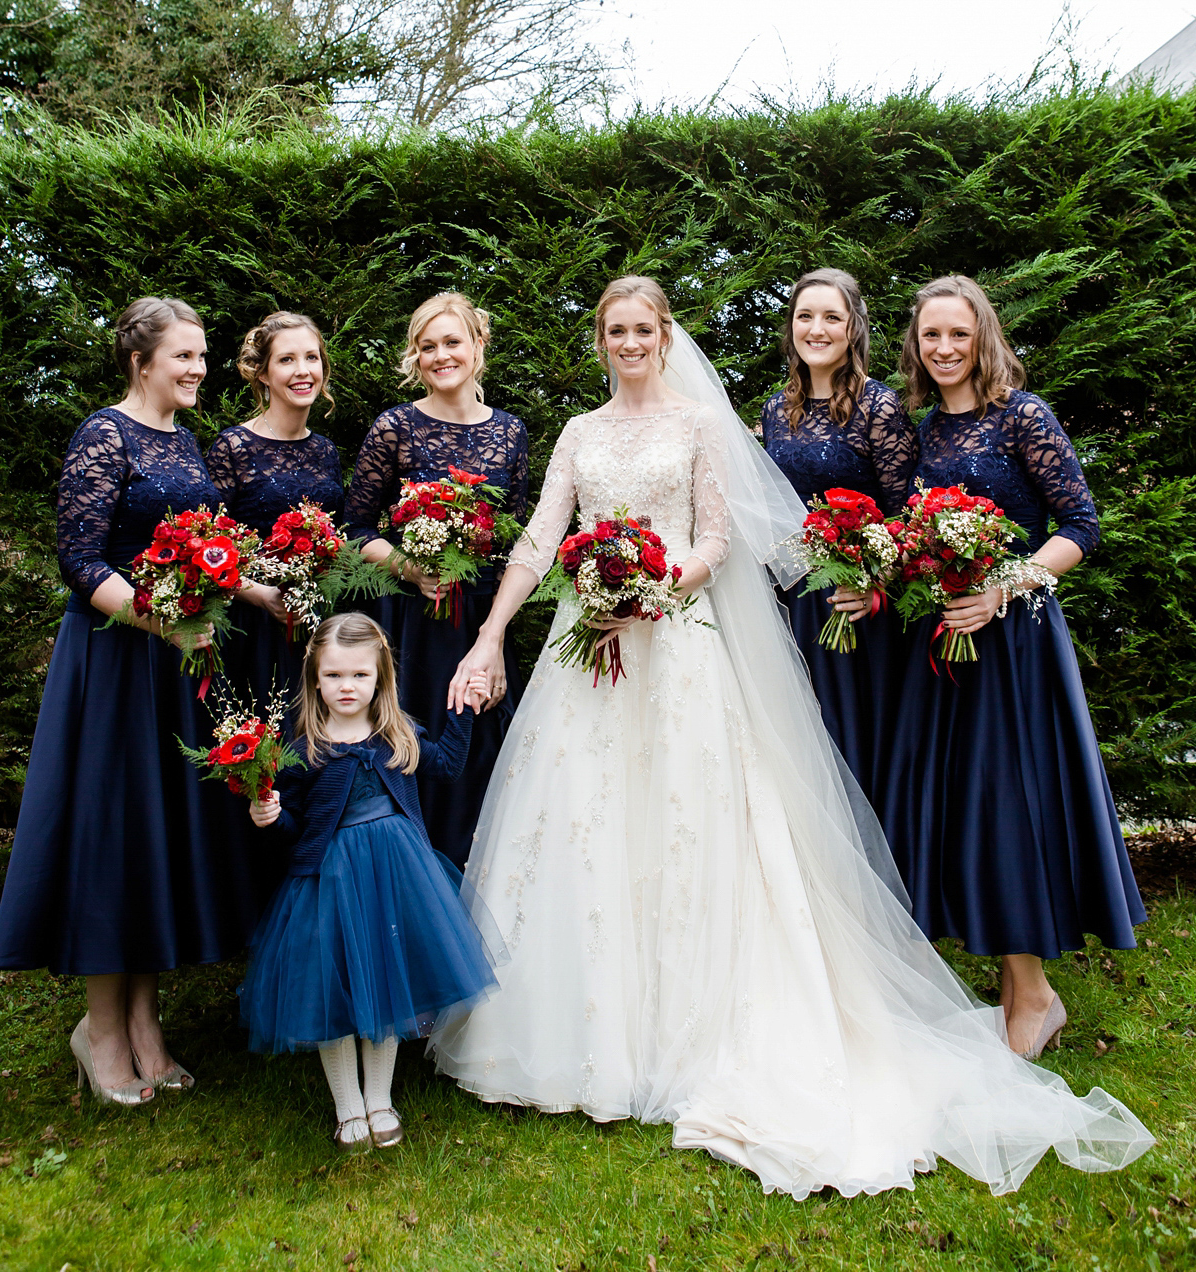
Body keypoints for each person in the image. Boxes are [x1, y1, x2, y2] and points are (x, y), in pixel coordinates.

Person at [429, 275, 1152, 1199]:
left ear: (665, 334)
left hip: (679, 638)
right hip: (589, 651)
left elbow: (721, 539)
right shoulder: (579, 432)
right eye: (614, 330)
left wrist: (653, 590)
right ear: (600, 340)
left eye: (643, 328)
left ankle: (711, 1021)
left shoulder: (703, 425)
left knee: (700, 822)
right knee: (579, 827)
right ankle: (577, 1030)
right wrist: (492, 636)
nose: (629, 342)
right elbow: (538, 540)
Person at [875, 275, 1146, 1059]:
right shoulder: (923, 431)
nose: (945, 348)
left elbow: (1081, 524)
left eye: (958, 334)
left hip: (1015, 640)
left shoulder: (1022, 416)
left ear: (982, 336)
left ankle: (1031, 993)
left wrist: (1000, 587)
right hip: (945, 643)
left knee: (1008, 806)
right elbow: (911, 534)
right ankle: (1008, 983)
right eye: (932, 336)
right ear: (917, 346)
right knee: (957, 806)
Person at [0, 298, 257, 1103]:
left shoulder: (182, 442)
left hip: (176, 666)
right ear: (140, 360)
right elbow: (78, 557)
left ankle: (145, 1021)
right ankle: (100, 1029)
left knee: (157, 835)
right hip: (114, 662)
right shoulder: (102, 434)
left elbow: (207, 550)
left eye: (204, 357)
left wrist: (244, 597)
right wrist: (162, 625)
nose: (198, 370)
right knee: (114, 833)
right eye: (184, 356)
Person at [240, 612, 498, 1150]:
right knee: (332, 989)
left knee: (386, 982)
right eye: (334, 675)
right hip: (328, 878)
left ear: (380, 677)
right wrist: (269, 814)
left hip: (398, 872)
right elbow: (292, 825)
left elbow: (448, 765)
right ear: (314, 678)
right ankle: (347, 1105)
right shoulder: (304, 747)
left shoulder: (394, 735)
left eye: (359, 675)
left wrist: (467, 709)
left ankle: (380, 1099)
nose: (347, 686)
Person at [345, 294, 529, 869]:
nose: (441, 355)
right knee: (408, 750)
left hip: (479, 618)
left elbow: (516, 540)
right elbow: (354, 527)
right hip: (409, 626)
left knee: (476, 755)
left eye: (453, 342)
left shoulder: (509, 432)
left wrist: (495, 637)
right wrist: (407, 566)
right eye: (428, 346)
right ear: (415, 357)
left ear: (479, 346)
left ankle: (468, 896)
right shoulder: (394, 427)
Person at [760, 268, 917, 801]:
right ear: (792, 328)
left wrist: (871, 578)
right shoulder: (776, 410)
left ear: (853, 329)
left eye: (832, 317)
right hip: (792, 599)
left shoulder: (880, 406)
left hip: (857, 601)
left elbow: (904, 516)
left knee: (853, 740)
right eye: (806, 316)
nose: (817, 329)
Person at [206, 312, 344, 724]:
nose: (303, 371)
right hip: (250, 625)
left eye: (311, 358)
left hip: (314, 622)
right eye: (286, 360)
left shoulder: (326, 452)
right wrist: (259, 593)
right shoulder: (234, 447)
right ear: (262, 373)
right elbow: (209, 546)